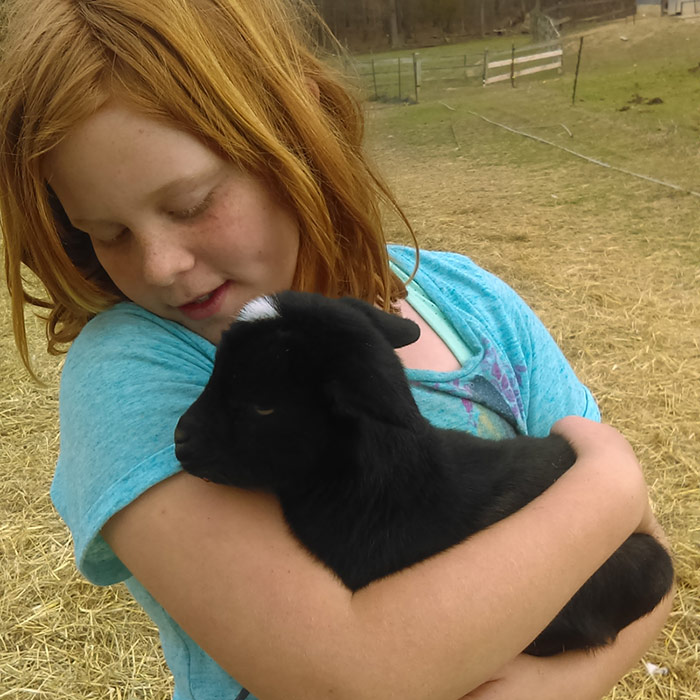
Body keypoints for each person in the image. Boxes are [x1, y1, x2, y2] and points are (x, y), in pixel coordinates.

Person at [0, 1, 672, 698]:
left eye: (192, 202)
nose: (160, 264)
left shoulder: (477, 307)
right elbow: (350, 677)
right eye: (107, 233)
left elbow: (648, 570)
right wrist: (609, 481)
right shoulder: (140, 368)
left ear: (298, 129)